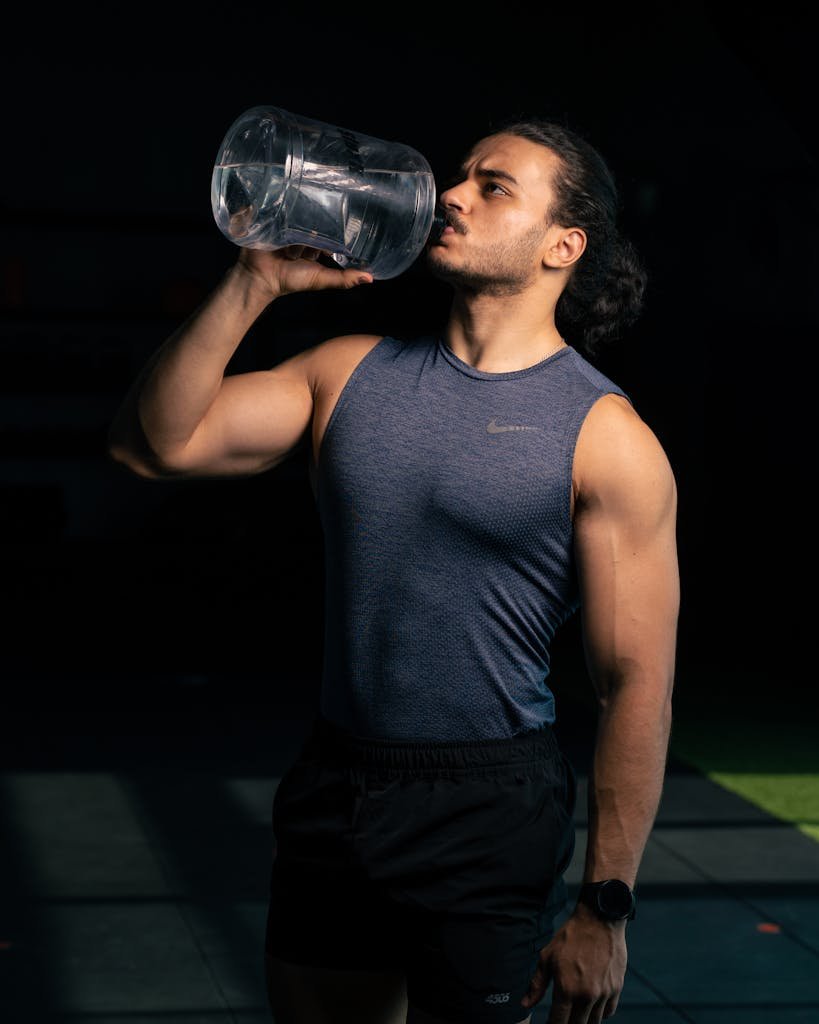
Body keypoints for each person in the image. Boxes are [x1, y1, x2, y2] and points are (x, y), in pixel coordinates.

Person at [108, 115, 679, 1024]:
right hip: (337, 788)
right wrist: (255, 278)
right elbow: (152, 445)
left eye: (493, 186)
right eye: (460, 176)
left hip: (488, 808)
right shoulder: (347, 372)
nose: (450, 195)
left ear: (561, 246)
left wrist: (603, 906)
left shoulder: (608, 438)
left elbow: (635, 684)